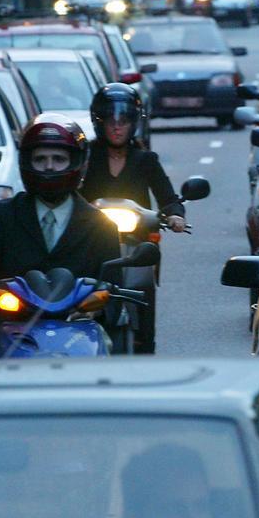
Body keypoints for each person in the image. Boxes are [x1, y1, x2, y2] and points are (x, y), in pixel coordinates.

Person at [0, 113, 120, 358]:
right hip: (6, 327)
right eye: (40, 159)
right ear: (26, 163)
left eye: (58, 159)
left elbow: (115, 287)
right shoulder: (2, 214)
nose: (49, 166)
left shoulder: (101, 224)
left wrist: (95, 309)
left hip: (79, 334)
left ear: (77, 163)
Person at [81, 84, 186, 354]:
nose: (117, 127)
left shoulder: (146, 159)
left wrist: (175, 215)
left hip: (137, 242)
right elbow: (70, 192)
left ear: (134, 123)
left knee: (144, 291)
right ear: (98, 122)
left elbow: (168, 196)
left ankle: (145, 347)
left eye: (124, 121)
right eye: (111, 121)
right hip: (92, 241)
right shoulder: (85, 157)